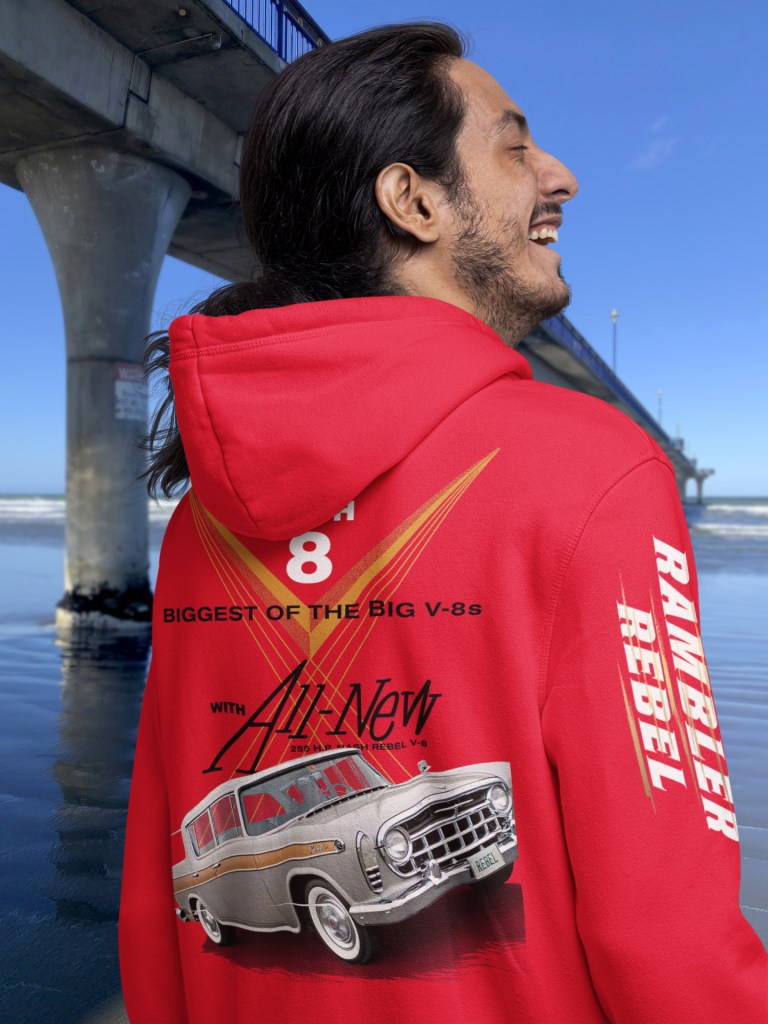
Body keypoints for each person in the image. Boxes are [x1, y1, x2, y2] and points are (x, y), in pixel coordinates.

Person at [118, 21, 767, 1024]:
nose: (561, 177)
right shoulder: (592, 465)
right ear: (411, 200)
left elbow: (155, 886)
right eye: (515, 148)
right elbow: (664, 932)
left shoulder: (203, 520)